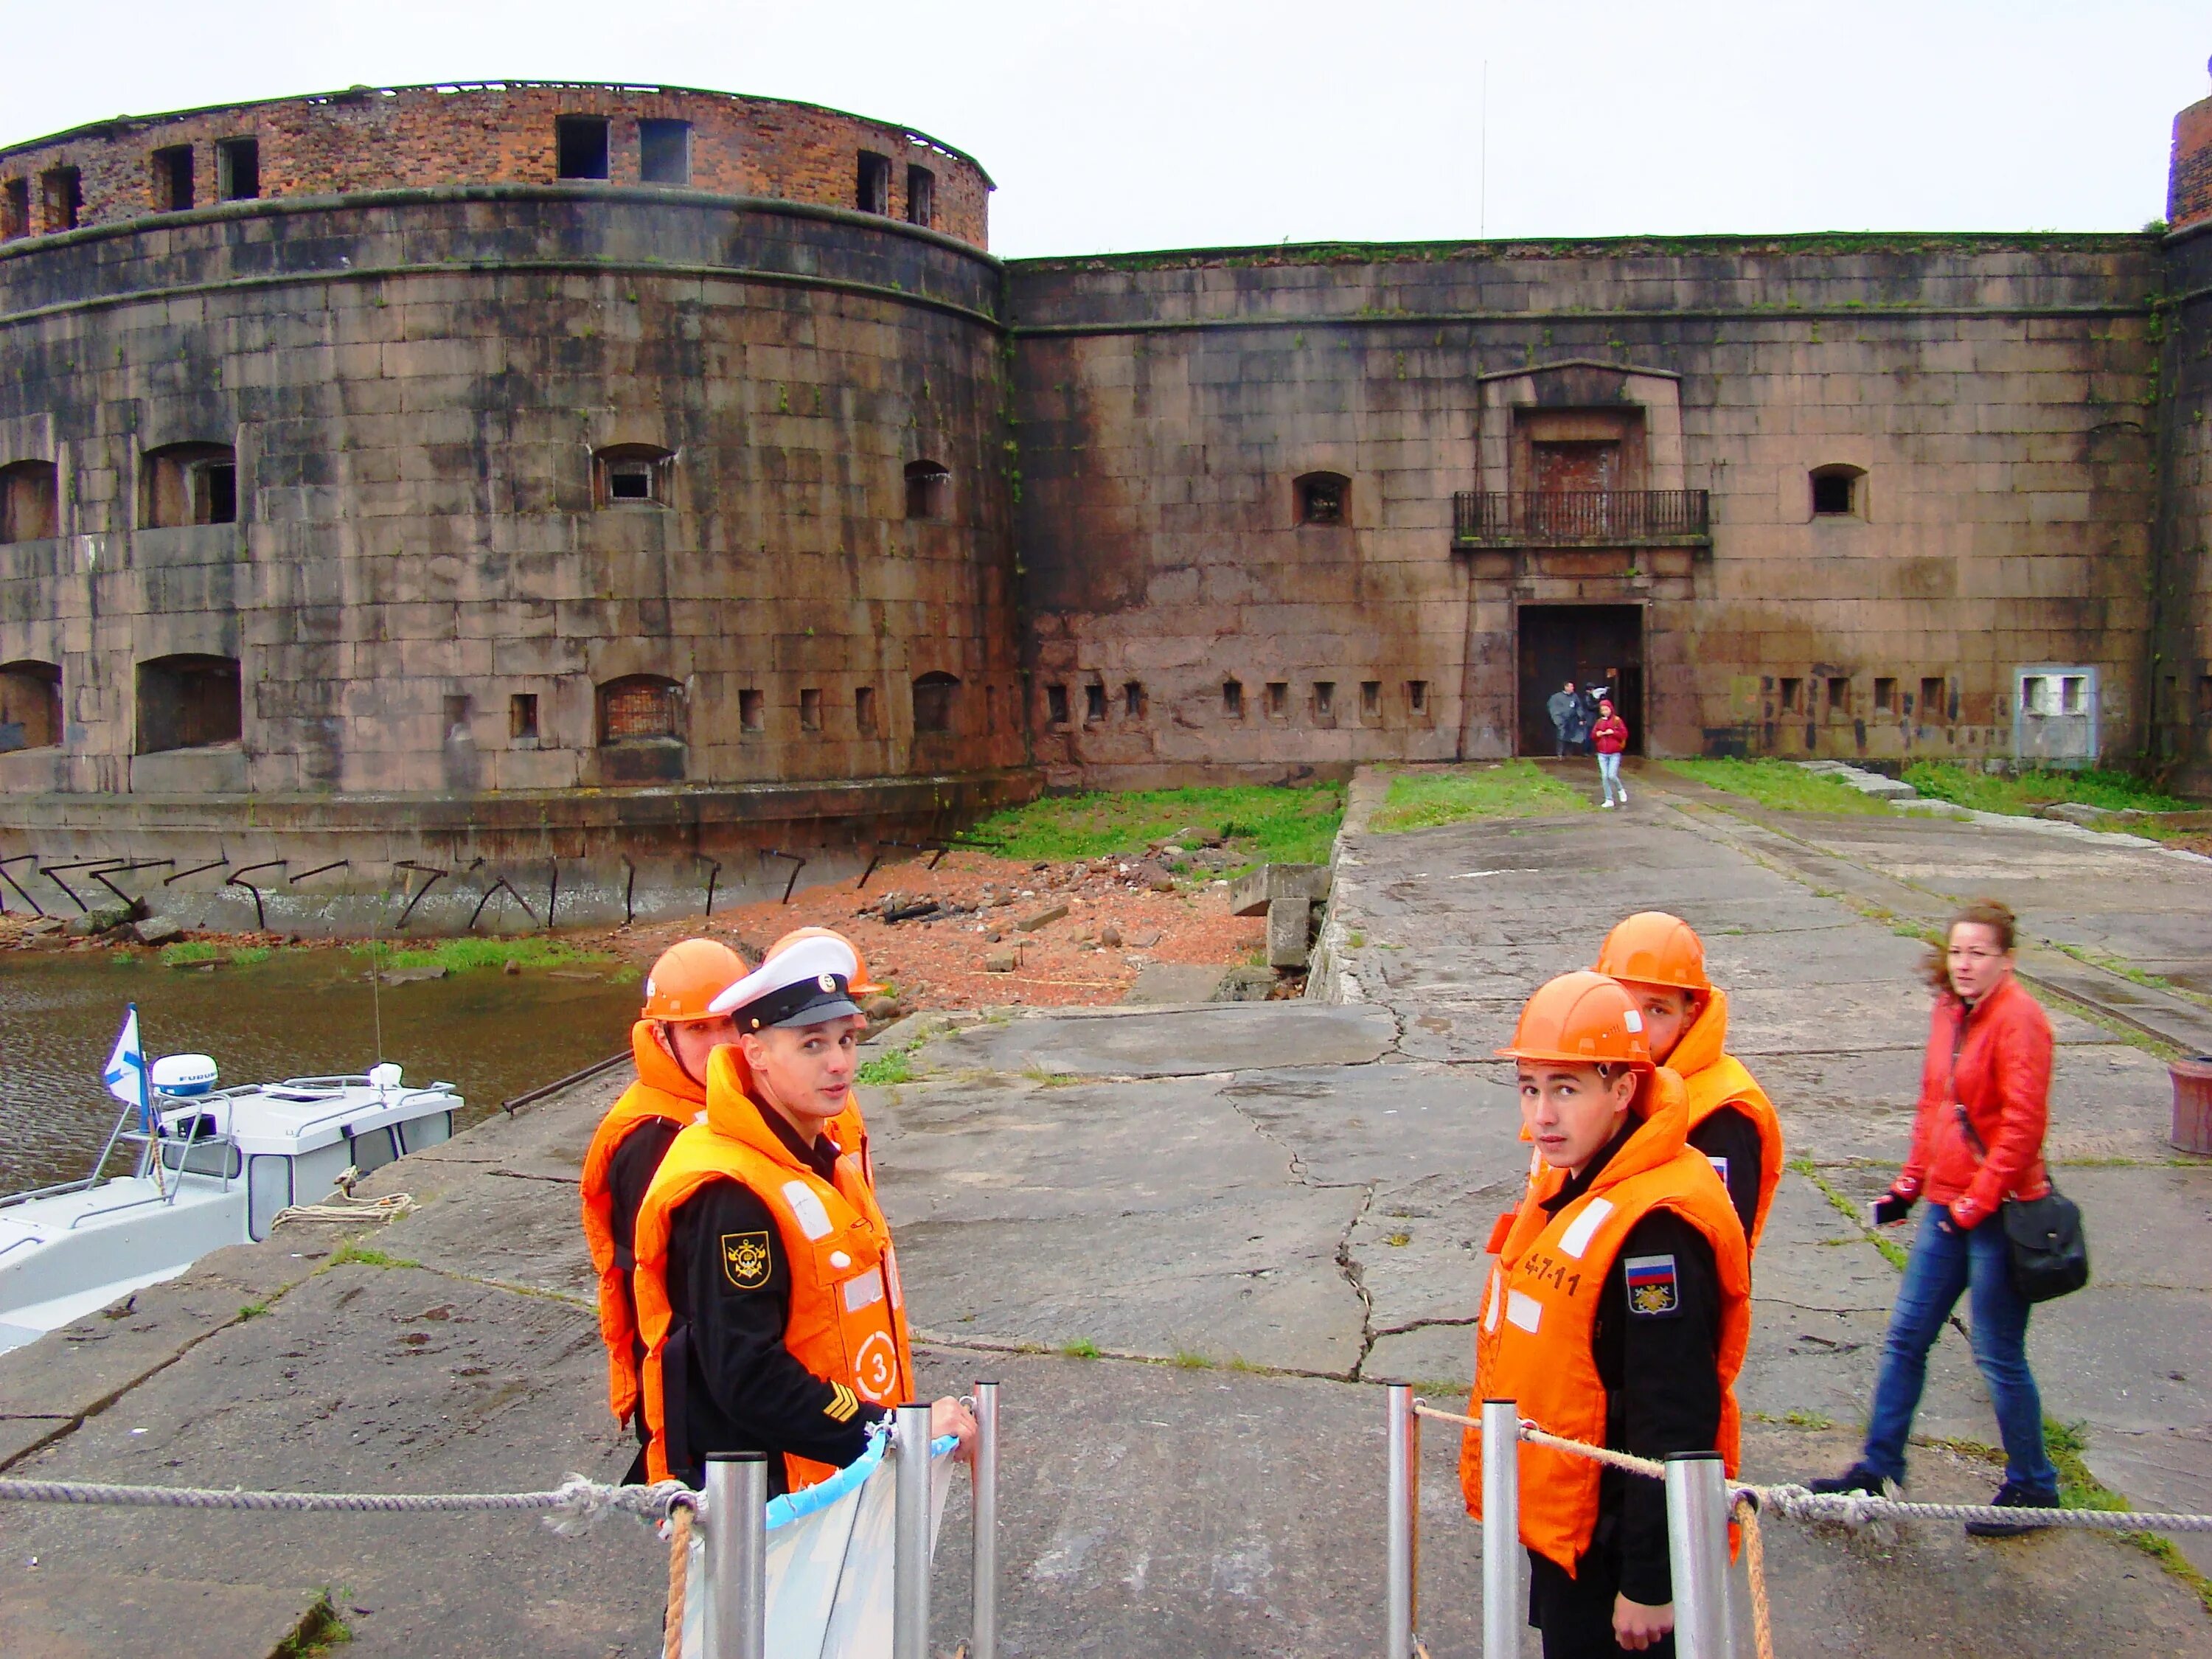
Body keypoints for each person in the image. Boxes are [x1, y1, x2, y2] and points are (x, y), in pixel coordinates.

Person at [1462, 972, 1750, 1658]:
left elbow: (1674, 1412)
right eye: (1530, 1089)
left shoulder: (1657, 1233)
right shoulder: (1584, 1178)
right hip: (1574, 1533)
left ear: (1623, 1090)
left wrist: (1653, 1580)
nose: (1542, 1118)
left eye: (1566, 1090)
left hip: (1619, 1549)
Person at [630, 932, 975, 1494]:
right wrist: (886, 1429)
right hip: (773, 1498)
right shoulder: (733, 1193)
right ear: (757, 1052)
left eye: (846, 1040)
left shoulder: (814, 1159)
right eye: (812, 1045)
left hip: (834, 1471)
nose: (839, 1063)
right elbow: (747, 1376)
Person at [1810, 900, 2062, 1536]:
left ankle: (2035, 1487)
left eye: (1979, 953)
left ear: (2007, 958)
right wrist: (1908, 1185)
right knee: (1906, 1338)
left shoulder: (2020, 1019)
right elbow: (1937, 1106)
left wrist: (1974, 1205)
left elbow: (2022, 1129)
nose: (1966, 964)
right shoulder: (1951, 1011)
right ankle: (1879, 1467)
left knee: (1999, 1355)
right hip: (1951, 1207)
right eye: (1957, 952)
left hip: (2001, 1212)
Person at [580, 938, 748, 1482]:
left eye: (729, 1024)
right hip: (691, 1377)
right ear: (662, 1037)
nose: (720, 1043)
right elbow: (666, 1283)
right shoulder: (650, 1138)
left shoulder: (720, 1107)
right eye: (699, 1029)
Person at [1593, 913, 1784, 1251]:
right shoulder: (1596, 1080)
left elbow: (1710, 1249)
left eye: (1657, 1010)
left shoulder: (1724, 1118)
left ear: (1689, 1016)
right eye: (1625, 1005)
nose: (1637, 1028)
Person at [1590, 699, 1630, 809]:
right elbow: (1593, 735)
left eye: (1606, 709)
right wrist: (1597, 734)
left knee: (1611, 775)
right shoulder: (1599, 722)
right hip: (1602, 753)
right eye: (1602, 710)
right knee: (1604, 776)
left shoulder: (1617, 720)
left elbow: (1624, 734)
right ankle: (1609, 799)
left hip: (1614, 753)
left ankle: (1620, 789)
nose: (1605, 712)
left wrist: (1614, 733)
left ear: (1611, 709)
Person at [1548, 681, 1581, 757]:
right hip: (1562, 720)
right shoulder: (1557, 697)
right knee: (1561, 736)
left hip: (1572, 721)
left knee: (1571, 737)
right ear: (1566, 687)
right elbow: (1552, 708)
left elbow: (1579, 707)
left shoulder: (1575, 696)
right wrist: (1557, 719)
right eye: (1571, 686)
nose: (1573, 688)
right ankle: (1560, 753)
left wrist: (1581, 717)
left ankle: (1569, 753)